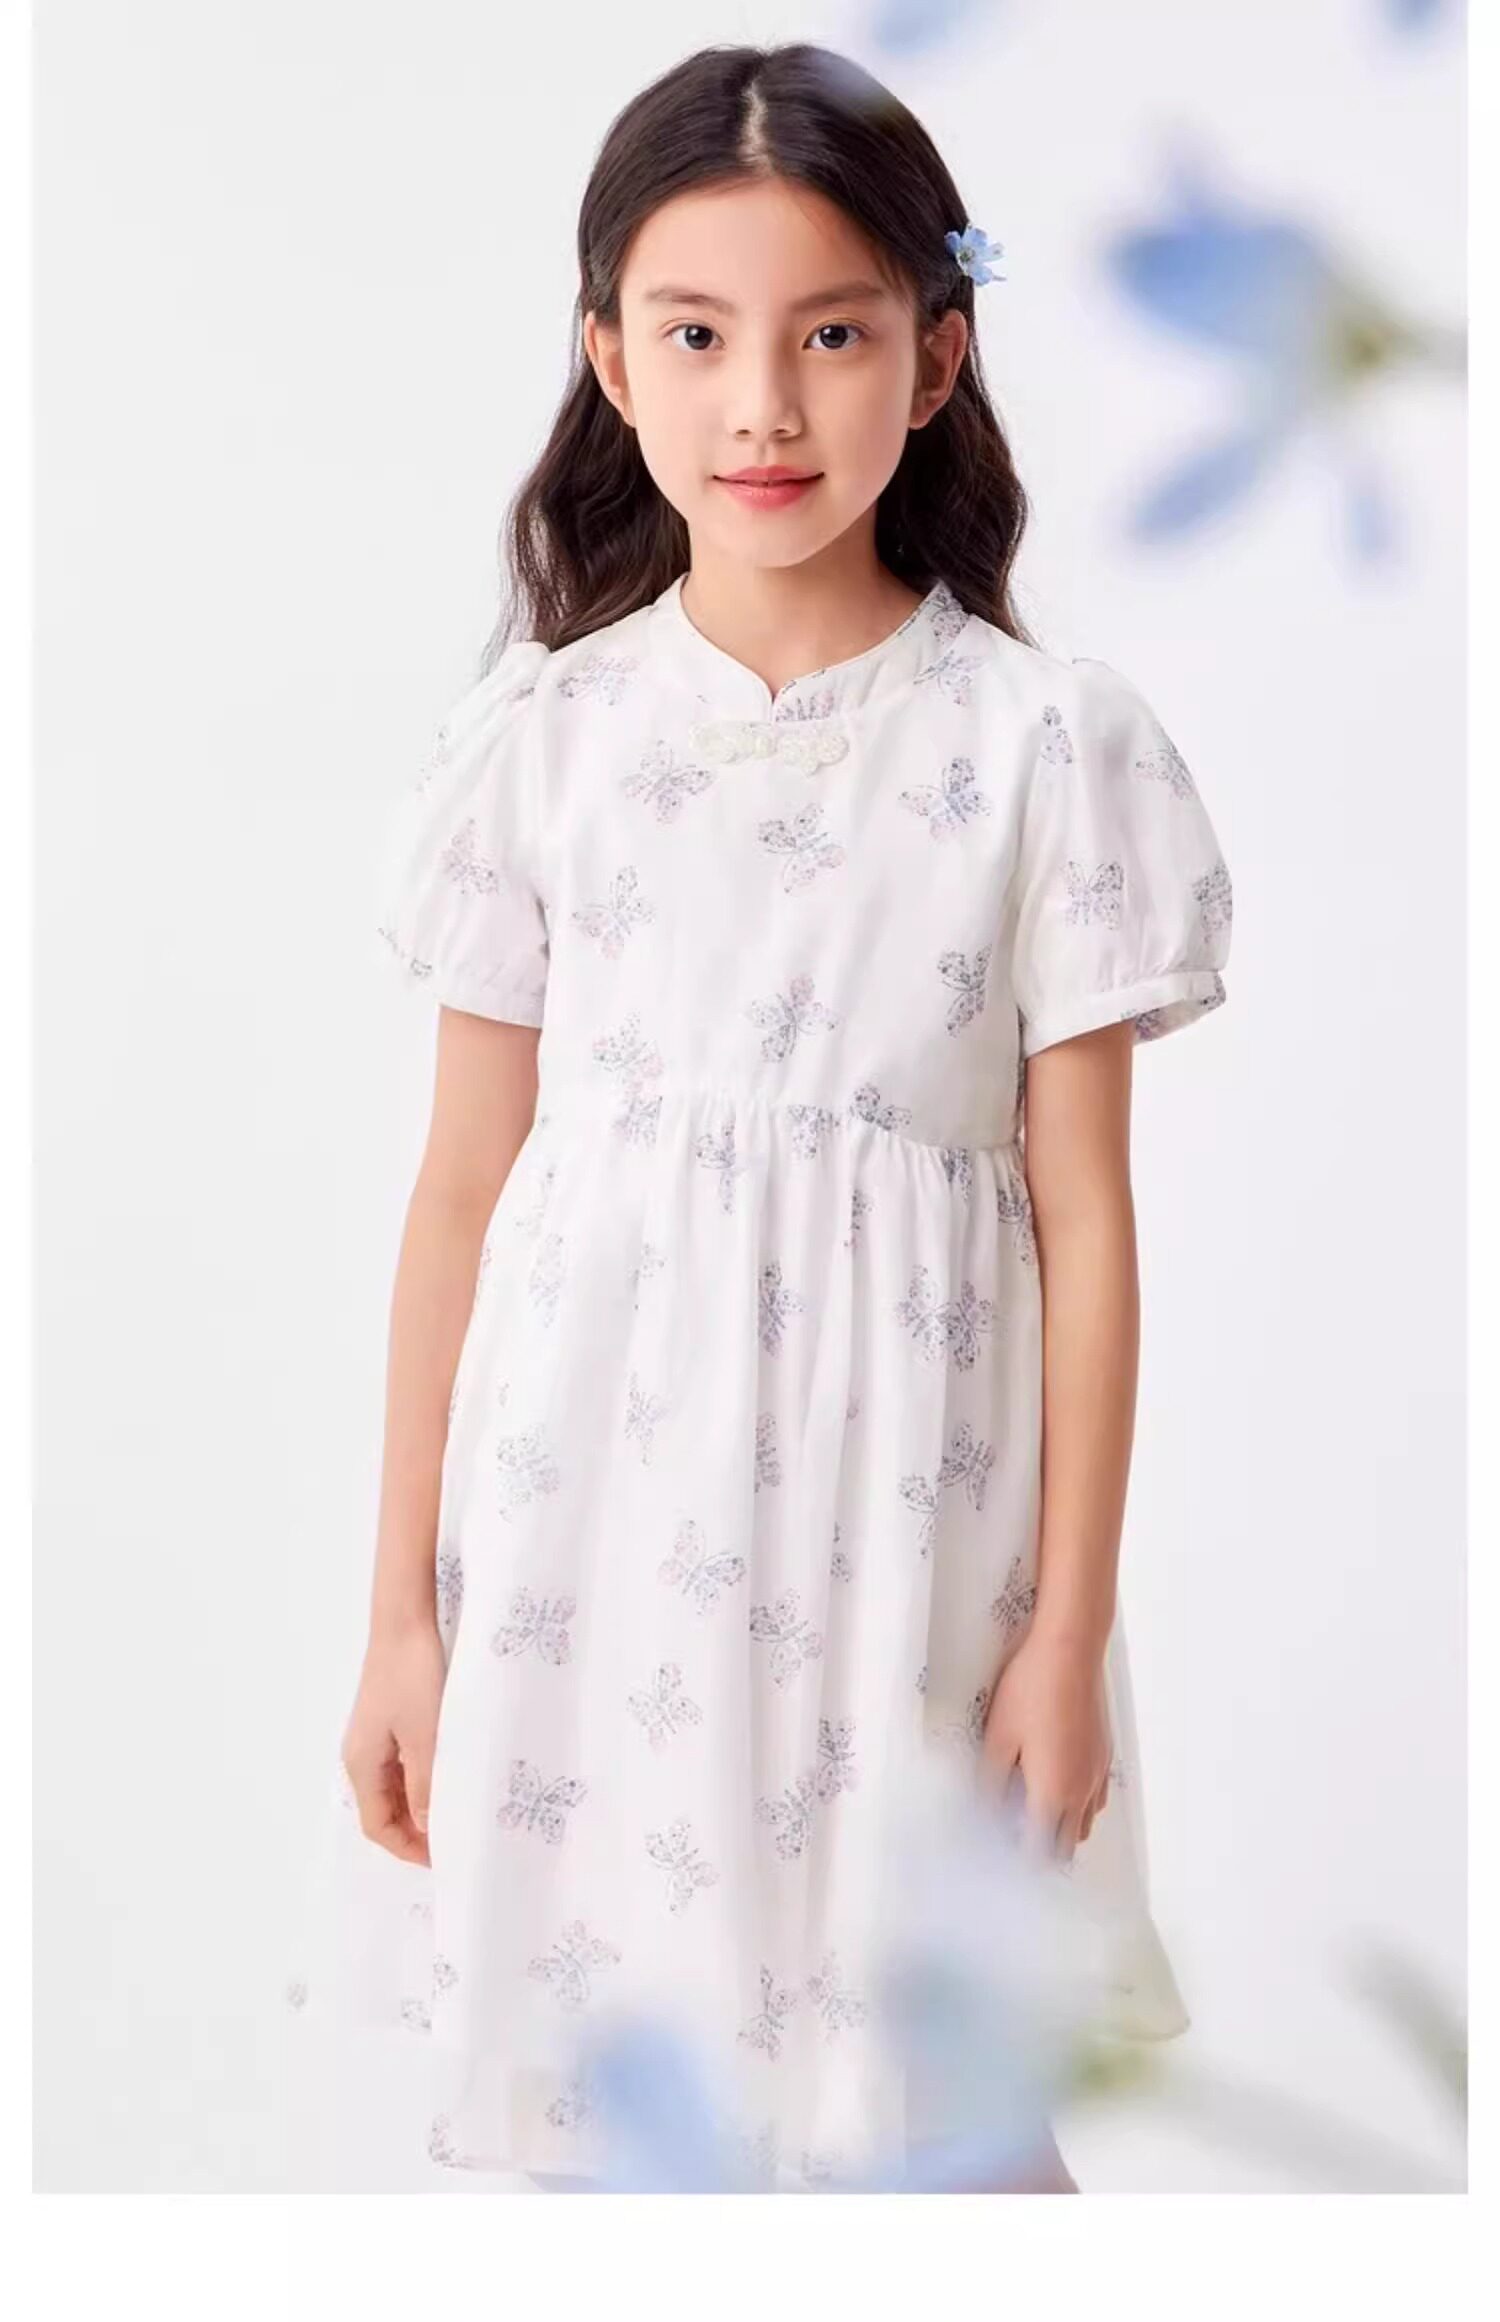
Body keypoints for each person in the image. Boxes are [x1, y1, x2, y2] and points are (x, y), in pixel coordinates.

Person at [286, 41, 1233, 2197]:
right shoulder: (544, 745)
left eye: (833, 335)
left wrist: (1064, 1637)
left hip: (920, 1533)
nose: (765, 408)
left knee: (943, 2125)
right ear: (611, 359)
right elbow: (461, 1195)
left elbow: (1086, 1220)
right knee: (610, 2110)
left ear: (938, 354)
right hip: (587, 1534)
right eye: (699, 337)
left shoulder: (1041, 749)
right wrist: (402, 1615)